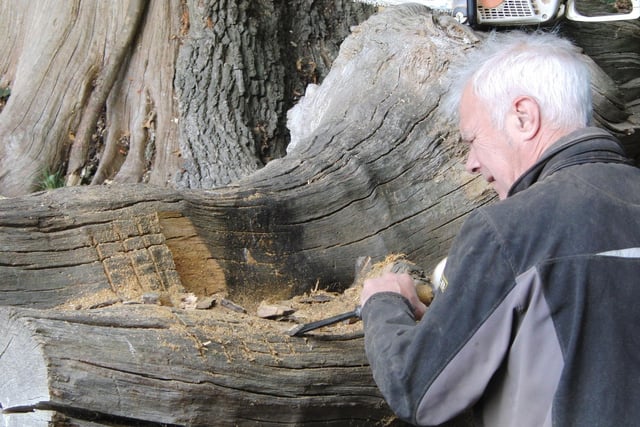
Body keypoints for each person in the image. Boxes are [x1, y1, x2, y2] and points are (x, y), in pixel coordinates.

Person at [360, 30, 640, 426]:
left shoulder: (511, 230)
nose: (470, 163)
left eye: (472, 140)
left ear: (523, 117)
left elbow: (419, 390)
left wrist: (384, 303)